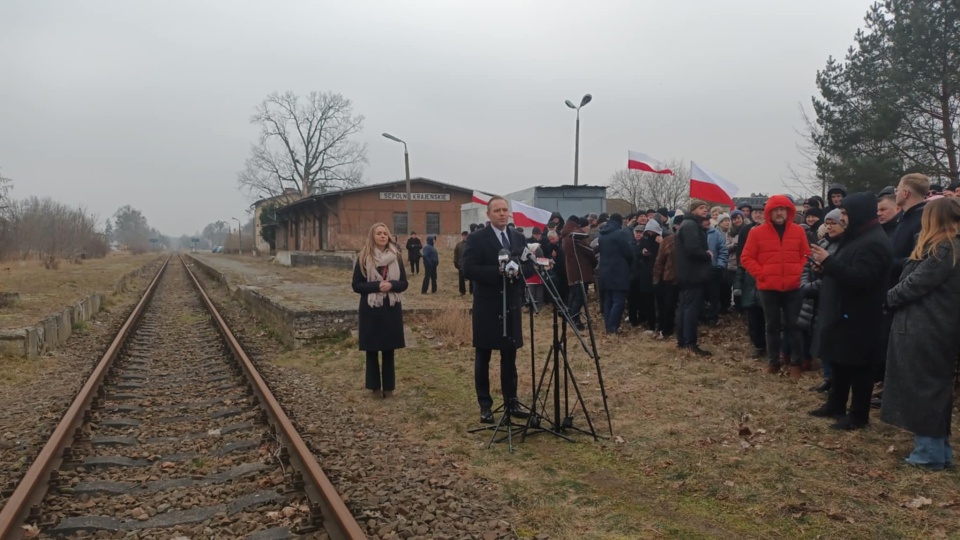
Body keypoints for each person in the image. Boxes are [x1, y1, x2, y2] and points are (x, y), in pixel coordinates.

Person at [882, 198, 960, 470]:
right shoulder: (945, 247)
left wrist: (887, 298)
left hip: (927, 327)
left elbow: (914, 284)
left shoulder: (943, 249)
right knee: (932, 388)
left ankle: (928, 453)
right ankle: (938, 450)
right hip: (933, 326)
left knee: (924, 388)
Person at [808, 193, 893, 430]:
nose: (842, 217)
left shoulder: (874, 242)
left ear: (859, 213)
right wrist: (824, 267)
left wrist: (829, 262)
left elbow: (862, 279)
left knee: (859, 367)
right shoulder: (856, 236)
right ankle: (836, 405)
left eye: (845, 213)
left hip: (860, 316)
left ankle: (858, 416)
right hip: (843, 312)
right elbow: (845, 269)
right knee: (840, 362)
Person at [461, 196, 529, 423]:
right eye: (497, 210)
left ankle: (511, 401)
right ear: (488, 215)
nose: (502, 214)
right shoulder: (478, 238)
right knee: (484, 355)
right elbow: (468, 268)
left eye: (505, 210)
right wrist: (498, 272)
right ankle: (485, 405)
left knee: (510, 357)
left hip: (511, 304)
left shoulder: (518, 238)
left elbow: (528, 264)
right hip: (488, 305)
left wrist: (519, 270)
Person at [740, 195, 810, 379]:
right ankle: (773, 362)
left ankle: (796, 363)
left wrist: (797, 271)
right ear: (769, 212)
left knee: (794, 326)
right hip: (768, 287)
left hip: (793, 287)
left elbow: (806, 254)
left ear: (789, 211)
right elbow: (746, 258)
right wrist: (762, 274)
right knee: (771, 326)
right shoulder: (756, 232)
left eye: (783, 209)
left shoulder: (798, 231)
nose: (779, 213)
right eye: (776, 209)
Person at [351, 223, 408, 398]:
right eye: (379, 233)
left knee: (389, 349)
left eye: (385, 233)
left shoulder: (395, 257)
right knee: (372, 349)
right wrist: (377, 286)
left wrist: (391, 284)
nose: (383, 236)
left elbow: (404, 283)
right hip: (371, 309)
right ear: (372, 236)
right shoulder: (363, 257)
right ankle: (374, 388)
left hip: (390, 308)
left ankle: (389, 388)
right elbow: (357, 285)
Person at [800, 209, 845, 393]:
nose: (830, 226)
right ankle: (827, 377)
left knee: (831, 338)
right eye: (827, 223)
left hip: (828, 296)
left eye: (834, 222)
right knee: (821, 337)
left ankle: (835, 379)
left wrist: (815, 285)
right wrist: (805, 284)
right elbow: (808, 265)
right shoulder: (823, 242)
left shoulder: (844, 247)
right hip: (814, 296)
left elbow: (836, 274)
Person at [674, 200, 713, 356]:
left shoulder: (688, 224)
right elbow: (692, 249)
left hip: (687, 273)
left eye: (706, 207)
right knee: (690, 309)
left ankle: (683, 340)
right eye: (701, 208)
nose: (705, 210)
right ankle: (690, 342)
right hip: (693, 274)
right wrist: (707, 255)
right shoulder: (691, 225)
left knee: (685, 308)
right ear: (693, 210)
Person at [597, 213, 634, 335]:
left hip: (605, 271)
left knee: (608, 300)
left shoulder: (602, 235)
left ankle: (608, 326)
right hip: (619, 272)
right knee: (618, 300)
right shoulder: (620, 234)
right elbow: (628, 252)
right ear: (619, 221)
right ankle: (613, 328)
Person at [561, 216, 597, 330]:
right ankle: (575, 320)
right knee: (580, 297)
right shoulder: (576, 235)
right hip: (581, 270)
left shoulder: (565, 235)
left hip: (572, 271)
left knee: (573, 295)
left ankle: (570, 318)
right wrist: (594, 261)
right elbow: (588, 251)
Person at [653, 215, 682, 339]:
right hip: (670, 278)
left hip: (687, 278)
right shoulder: (669, 241)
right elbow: (659, 261)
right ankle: (666, 330)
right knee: (668, 306)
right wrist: (656, 278)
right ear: (675, 226)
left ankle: (681, 330)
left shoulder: (692, 240)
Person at [705, 214, 729, 323]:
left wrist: (719, 265)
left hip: (714, 269)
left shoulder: (716, 234)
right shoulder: (694, 233)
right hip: (698, 270)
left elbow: (723, 251)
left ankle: (712, 317)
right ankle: (701, 316)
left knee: (714, 295)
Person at [453, 231, 470, 295]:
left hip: (469, 264)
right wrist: (455, 262)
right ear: (462, 236)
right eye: (464, 236)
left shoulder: (470, 244)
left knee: (471, 279)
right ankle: (462, 291)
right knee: (461, 279)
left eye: (466, 236)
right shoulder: (459, 245)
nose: (465, 237)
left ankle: (472, 291)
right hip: (461, 264)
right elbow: (455, 254)